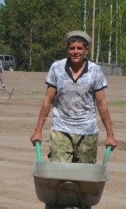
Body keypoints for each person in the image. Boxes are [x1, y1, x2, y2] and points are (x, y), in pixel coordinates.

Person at [30, 31, 117, 162]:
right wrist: (38, 130)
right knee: (59, 175)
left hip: (87, 133)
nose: (75, 52)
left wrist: (110, 135)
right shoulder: (56, 68)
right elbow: (48, 100)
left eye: (80, 48)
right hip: (61, 130)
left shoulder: (95, 70)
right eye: (72, 48)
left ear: (86, 50)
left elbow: (101, 103)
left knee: (84, 177)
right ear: (67, 50)